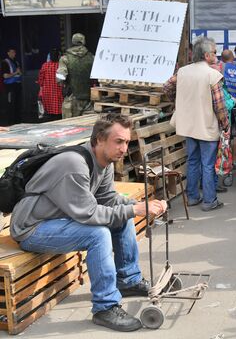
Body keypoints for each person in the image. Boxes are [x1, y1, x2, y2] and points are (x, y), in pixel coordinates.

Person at [11, 114, 167, 332]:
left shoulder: (104, 162)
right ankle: (105, 307)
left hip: (60, 219)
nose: (124, 148)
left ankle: (128, 280)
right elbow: (89, 214)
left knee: (122, 217)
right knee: (98, 234)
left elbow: (108, 199)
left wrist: (141, 204)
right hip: (32, 228)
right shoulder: (74, 164)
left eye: (127, 142)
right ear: (99, 140)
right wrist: (134, 209)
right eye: (118, 141)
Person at [164, 36, 229, 212]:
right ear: (207, 55)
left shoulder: (183, 72)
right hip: (206, 125)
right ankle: (209, 200)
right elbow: (220, 105)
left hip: (188, 125)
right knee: (207, 164)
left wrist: (176, 102)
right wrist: (225, 124)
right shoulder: (212, 75)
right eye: (214, 52)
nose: (216, 55)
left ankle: (192, 197)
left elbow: (167, 87)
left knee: (193, 161)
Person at [56, 33, 94, 118]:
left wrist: (61, 84)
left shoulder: (65, 58)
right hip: (89, 99)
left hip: (72, 98)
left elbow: (60, 77)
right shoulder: (92, 57)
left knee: (70, 127)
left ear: (72, 42)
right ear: (84, 42)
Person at [38, 48, 63, 121]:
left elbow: (40, 81)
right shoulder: (61, 66)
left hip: (47, 94)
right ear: (59, 56)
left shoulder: (45, 66)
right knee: (59, 114)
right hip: (59, 93)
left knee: (49, 115)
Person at [2, 48, 23, 125]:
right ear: (8, 53)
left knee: (18, 104)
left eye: (14, 52)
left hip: (17, 85)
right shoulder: (5, 62)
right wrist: (15, 73)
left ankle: (18, 122)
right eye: (12, 52)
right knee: (11, 105)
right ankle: (11, 123)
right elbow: (5, 76)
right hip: (10, 87)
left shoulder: (16, 62)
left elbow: (20, 73)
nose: (14, 54)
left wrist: (19, 73)